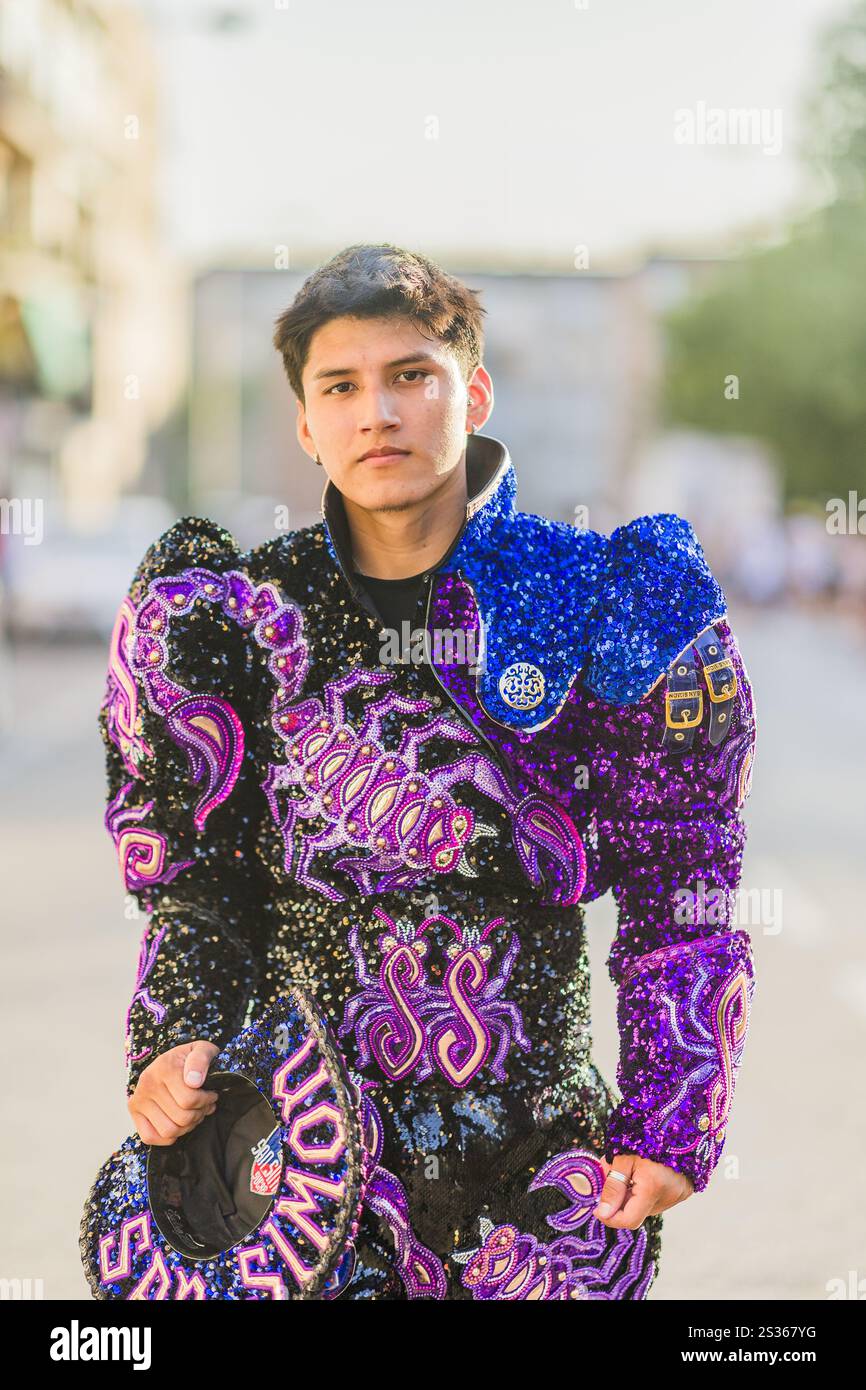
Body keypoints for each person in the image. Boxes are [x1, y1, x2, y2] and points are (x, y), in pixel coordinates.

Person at [98, 243, 758, 1300]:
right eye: (340, 387)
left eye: (412, 376)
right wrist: (174, 1037)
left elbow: (681, 877)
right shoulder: (230, 620)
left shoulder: (598, 592)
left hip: (541, 1173)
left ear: (472, 391)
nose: (378, 414)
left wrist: (674, 1116)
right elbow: (197, 884)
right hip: (294, 1163)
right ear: (306, 423)